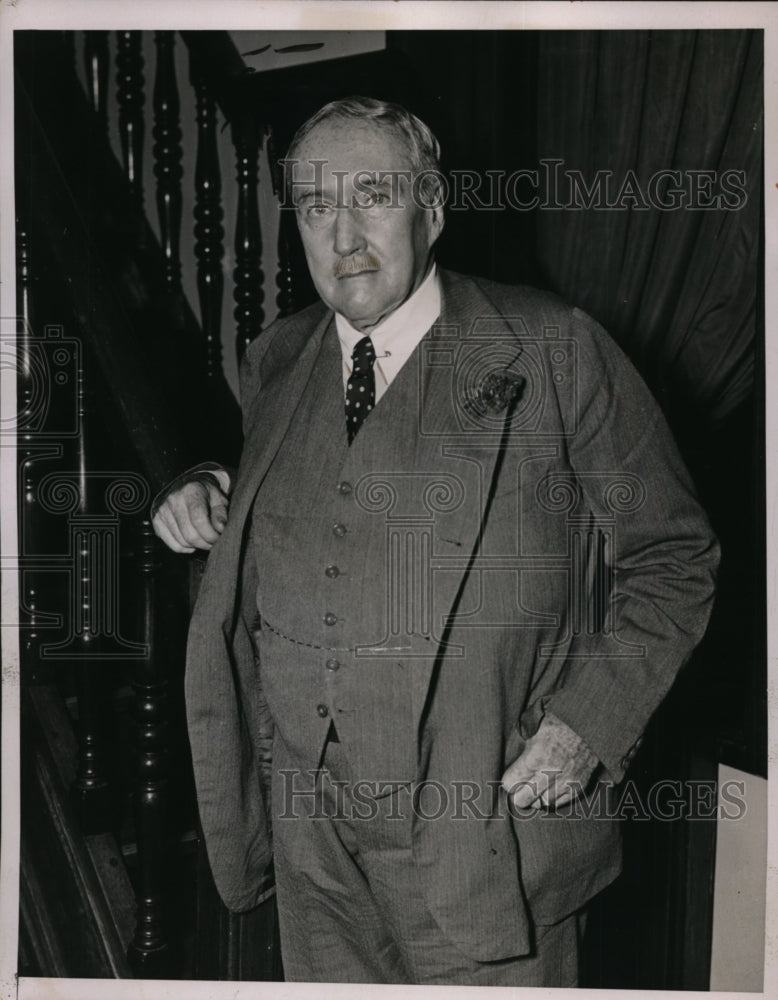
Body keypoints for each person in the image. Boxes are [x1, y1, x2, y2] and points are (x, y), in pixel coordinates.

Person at [152, 96, 719, 986]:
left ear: (434, 209)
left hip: (482, 841)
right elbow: (293, 507)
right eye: (314, 206)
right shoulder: (280, 356)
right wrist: (206, 486)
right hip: (314, 848)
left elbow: (674, 558)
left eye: (372, 197)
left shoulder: (552, 351)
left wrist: (587, 726)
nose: (343, 238)